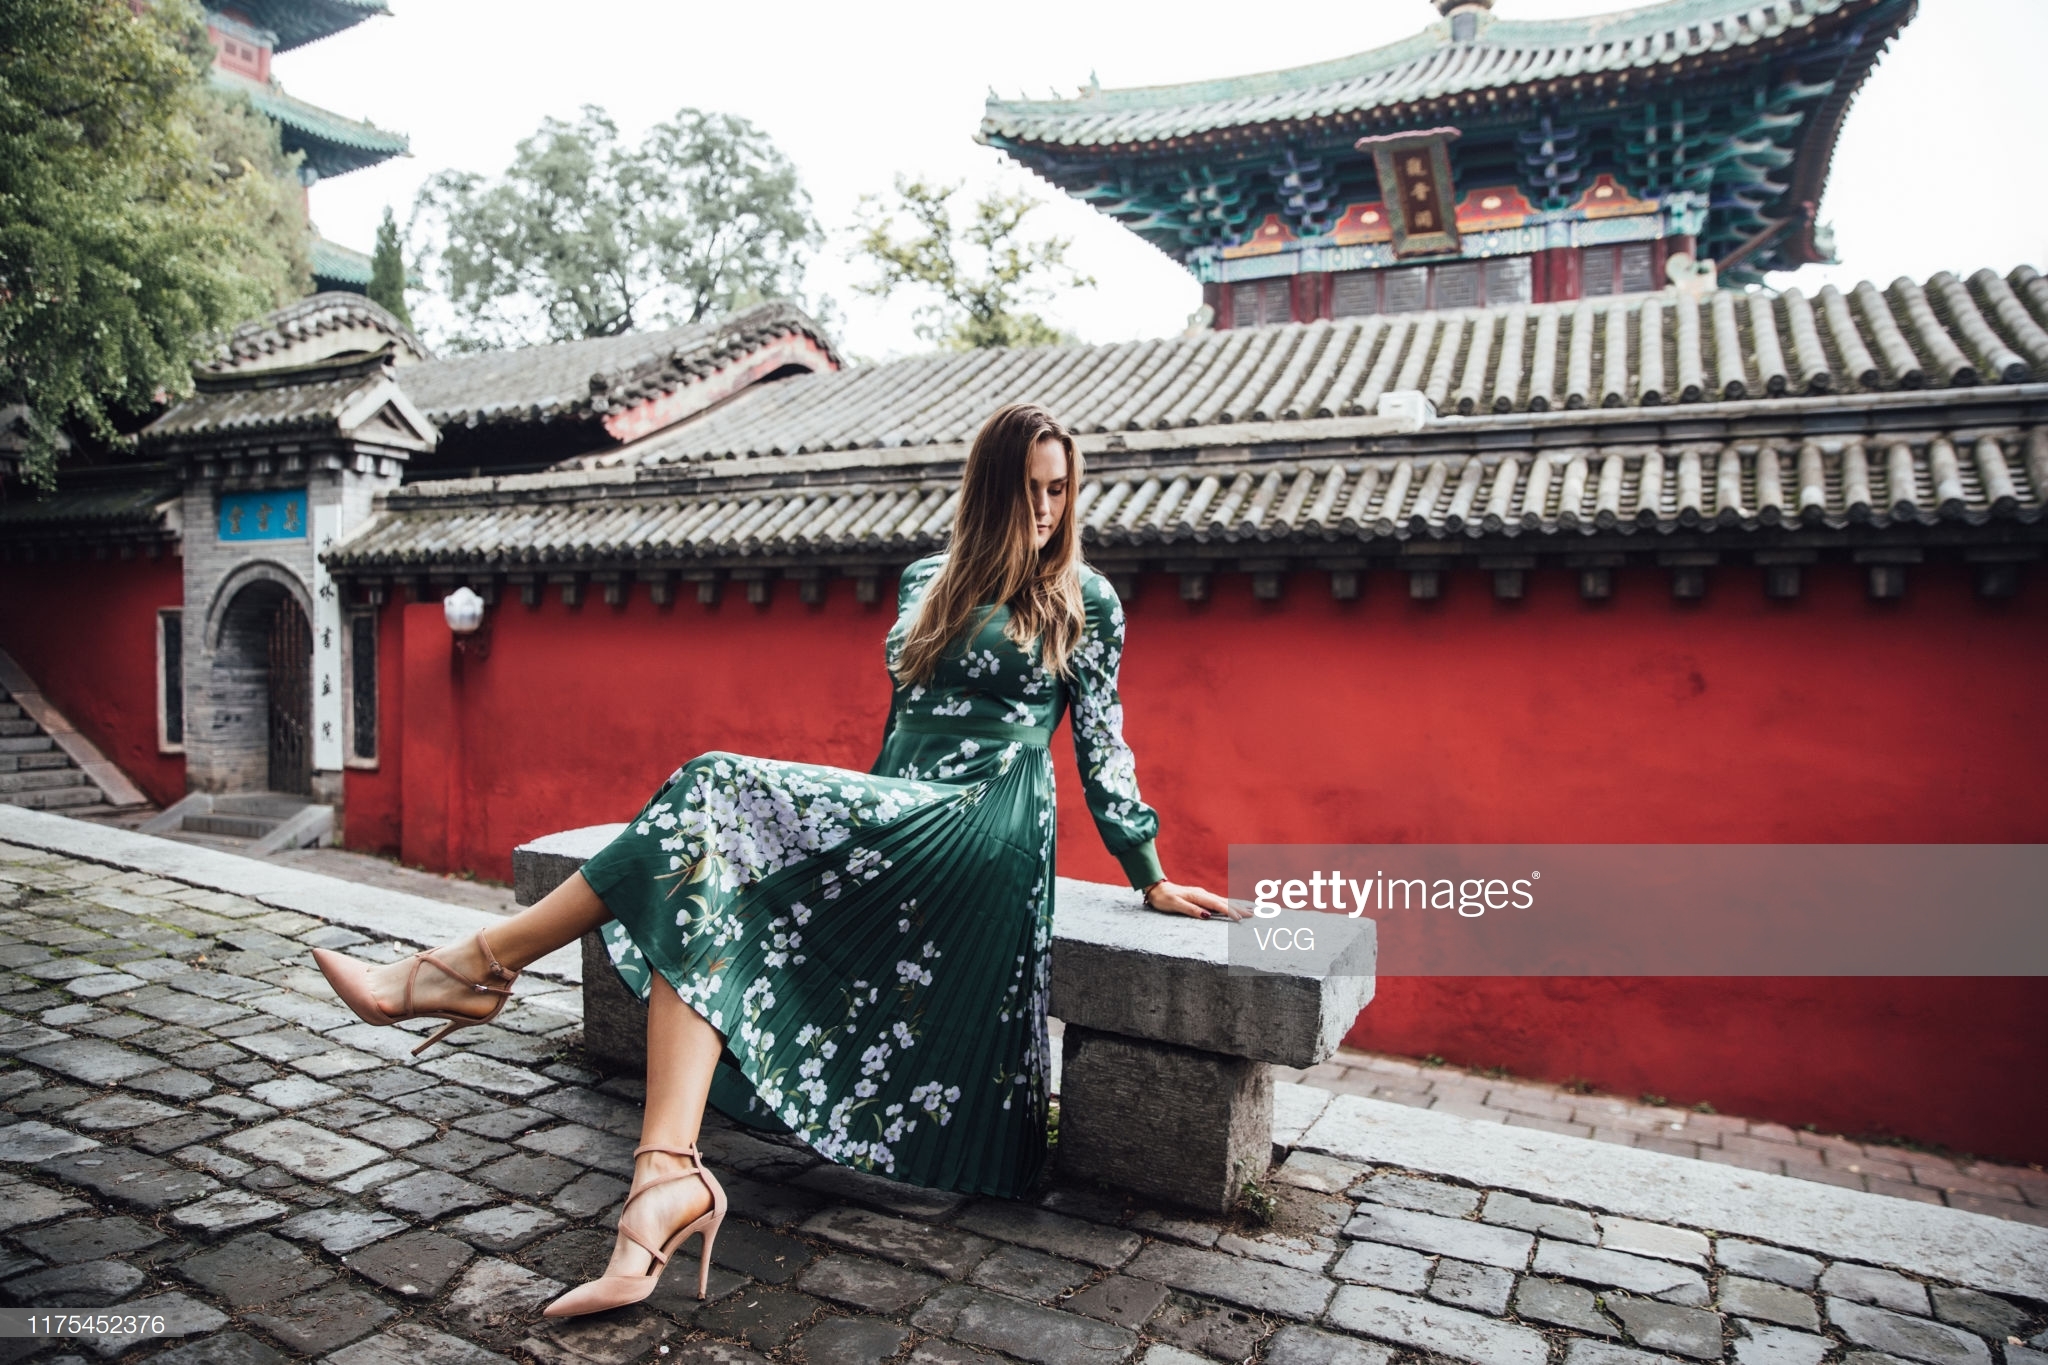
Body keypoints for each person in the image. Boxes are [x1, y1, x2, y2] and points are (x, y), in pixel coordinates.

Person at [310, 401, 1242, 1319]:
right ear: (990, 489)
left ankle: (473, 968)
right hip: (903, 808)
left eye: (1060, 491)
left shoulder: (1087, 598)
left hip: (988, 823)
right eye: (1032, 490)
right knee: (708, 868)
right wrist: (849, 856)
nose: (1048, 510)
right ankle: (659, 1185)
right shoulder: (929, 579)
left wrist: (1146, 866)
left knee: (713, 785)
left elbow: (1103, 746)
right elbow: (899, 727)